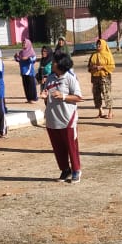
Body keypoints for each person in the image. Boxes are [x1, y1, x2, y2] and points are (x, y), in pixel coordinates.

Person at [41, 51, 83, 183]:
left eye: (54, 62)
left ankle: (76, 170)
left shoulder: (70, 78)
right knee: (58, 147)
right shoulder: (50, 78)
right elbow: (47, 97)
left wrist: (63, 96)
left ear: (60, 64)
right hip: (52, 118)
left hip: (67, 118)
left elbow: (79, 97)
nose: (52, 64)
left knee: (71, 146)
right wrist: (44, 96)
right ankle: (65, 170)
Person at [87, 38, 115, 119]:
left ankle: (110, 112)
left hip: (104, 77)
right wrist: (94, 67)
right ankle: (100, 111)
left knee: (107, 94)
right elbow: (89, 66)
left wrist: (103, 67)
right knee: (96, 94)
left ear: (103, 45)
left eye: (100, 44)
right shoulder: (93, 55)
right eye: (97, 44)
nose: (98, 45)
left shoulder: (108, 55)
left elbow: (112, 66)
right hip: (95, 77)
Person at [13, 38, 39, 102]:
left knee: (31, 86)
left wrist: (27, 58)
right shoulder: (21, 52)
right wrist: (16, 56)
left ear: (28, 44)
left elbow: (34, 59)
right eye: (23, 43)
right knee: (26, 86)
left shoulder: (31, 52)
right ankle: (29, 99)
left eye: (25, 43)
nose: (23, 44)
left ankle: (33, 98)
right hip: (23, 72)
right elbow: (18, 60)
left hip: (29, 72)